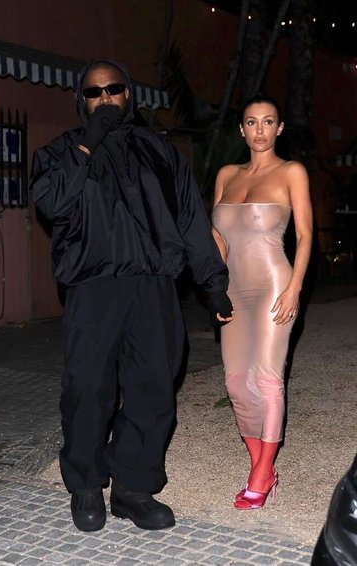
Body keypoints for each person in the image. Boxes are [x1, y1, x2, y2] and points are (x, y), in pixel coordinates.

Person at [30, 59, 233, 532]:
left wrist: (214, 284)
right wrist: (88, 142)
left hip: (153, 287)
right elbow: (53, 202)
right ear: (81, 100)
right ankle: (85, 484)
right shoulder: (60, 152)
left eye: (113, 89)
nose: (105, 98)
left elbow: (190, 220)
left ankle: (133, 488)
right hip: (92, 288)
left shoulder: (160, 152)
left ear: (129, 96)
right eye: (94, 92)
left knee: (153, 387)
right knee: (87, 388)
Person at [211, 93, 313, 510]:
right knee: (236, 381)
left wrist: (295, 289)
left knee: (267, 379)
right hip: (233, 288)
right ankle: (263, 467)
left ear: (279, 128)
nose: (260, 130)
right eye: (252, 122)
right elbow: (218, 237)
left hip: (274, 284)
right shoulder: (227, 174)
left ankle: (260, 472)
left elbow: (305, 234)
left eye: (268, 121)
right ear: (242, 129)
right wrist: (214, 287)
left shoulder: (291, 171)